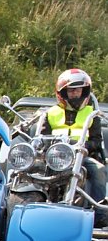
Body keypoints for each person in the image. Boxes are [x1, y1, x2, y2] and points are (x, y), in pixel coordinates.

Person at [38, 68, 108, 228]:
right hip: (54, 157)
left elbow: (97, 141)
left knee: (98, 170)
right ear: (63, 93)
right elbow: (41, 139)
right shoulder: (50, 113)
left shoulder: (92, 114)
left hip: (81, 156)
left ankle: (100, 214)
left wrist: (83, 146)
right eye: (71, 91)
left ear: (85, 91)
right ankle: (32, 203)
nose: (75, 94)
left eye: (78, 90)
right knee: (33, 172)